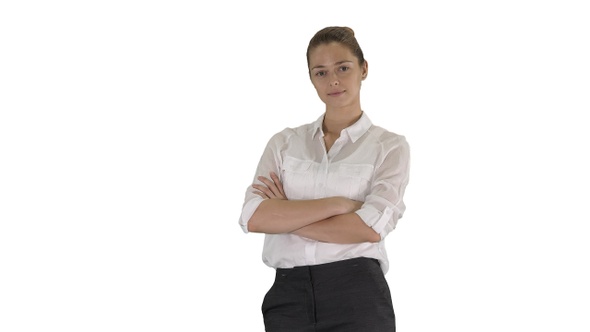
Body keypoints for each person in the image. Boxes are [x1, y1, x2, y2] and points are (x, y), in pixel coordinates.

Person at [238, 26, 410, 332]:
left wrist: (285, 213)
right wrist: (341, 204)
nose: (333, 80)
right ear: (311, 78)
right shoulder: (285, 143)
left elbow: (369, 228)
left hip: (357, 294)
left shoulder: (389, 147)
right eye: (320, 72)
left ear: (364, 69)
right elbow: (253, 217)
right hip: (287, 298)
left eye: (343, 68)